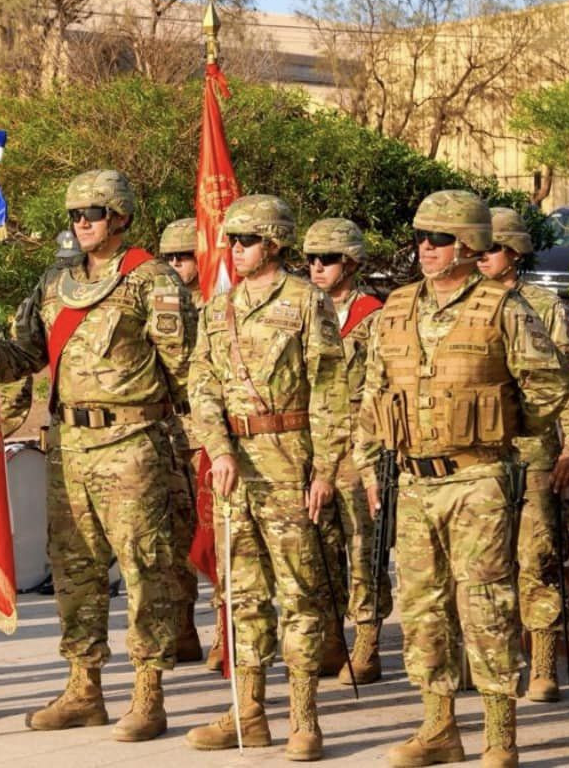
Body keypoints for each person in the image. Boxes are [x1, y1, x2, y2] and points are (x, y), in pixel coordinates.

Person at [358, 190, 569, 768]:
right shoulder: (396, 307)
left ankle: (500, 735)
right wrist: (368, 465)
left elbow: (549, 387)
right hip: (413, 481)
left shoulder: (505, 308)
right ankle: (438, 726)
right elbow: (373, 394)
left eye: (440, 239)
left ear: (469, 244)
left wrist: (499, 432)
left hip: (478, 478)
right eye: (421, 237)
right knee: (423, 605)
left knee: (485, 602)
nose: (426, 248)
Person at [0, 169, 195, 742]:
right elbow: (26, 353)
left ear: (122, 218)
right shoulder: (56, 282)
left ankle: (148, 694)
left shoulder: (150, 281)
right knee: (74, 571)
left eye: (94, 212)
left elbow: (187, 370)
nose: (82, 222)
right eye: (75, 214)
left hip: (132, 444)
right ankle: (84, 688)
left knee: (145, 569)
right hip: (68, 446)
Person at [184, 196, 348, 760]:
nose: (235, 250)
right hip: (234, 470)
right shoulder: (217, 308)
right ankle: (247, 712)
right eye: (231, 240)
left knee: (299, 594)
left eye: (246, 241)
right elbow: (200, 383)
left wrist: (325, 468)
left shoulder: (307, 302)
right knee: (242, 594)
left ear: (273, 244)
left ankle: (304, 718)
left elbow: (330, 389)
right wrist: (219, 448)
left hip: (289, 461)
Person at [476, 206, 569, 702]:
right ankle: (491, 664)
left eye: (493, 249)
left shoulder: (545, 306)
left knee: (537, 557)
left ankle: (542, 664)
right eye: (477, 249)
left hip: (534, 454)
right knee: (481, 564)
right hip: (479, 455)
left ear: (516, 253)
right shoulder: (465, 305)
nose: (483, 258)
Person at [303, 217, 393, 685]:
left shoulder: (373, 318)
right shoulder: (305, 311)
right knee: (321, 547)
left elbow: (381, 388)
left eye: (329, 259)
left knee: (363, 548)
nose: (317, 267)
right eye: (311, 259)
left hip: (359, 450)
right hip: (313, 447)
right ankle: (330, 637)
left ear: (351, 262)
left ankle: (368, 640)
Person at [157, 217, 209, 664]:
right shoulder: (162, 302)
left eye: (184, 256)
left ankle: (229, 634)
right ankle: (185, 625)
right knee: (176, 539)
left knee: (219, 539)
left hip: (210, 440)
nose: (176, 265)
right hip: (173, 438)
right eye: (169, 257)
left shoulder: (220, 301)